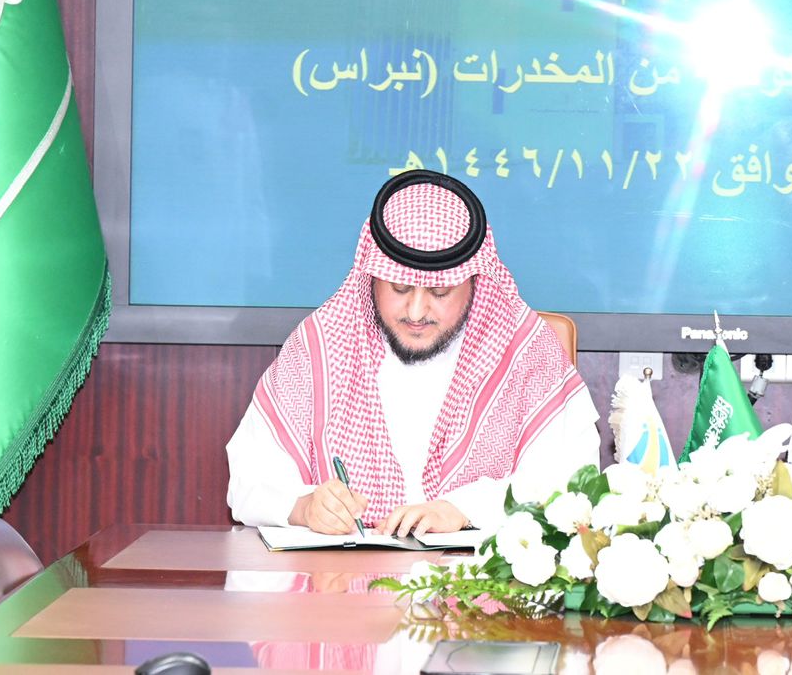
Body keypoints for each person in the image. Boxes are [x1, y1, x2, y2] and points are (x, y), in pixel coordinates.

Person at [227, 170, 598, 536]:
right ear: (372, 277)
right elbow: (248, 480)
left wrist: (464, 509)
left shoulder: (526, 353)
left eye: (440, 293)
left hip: (475, 574)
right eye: (399, 288)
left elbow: (573, 485)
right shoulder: (321, 347)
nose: (417, 312)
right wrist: (304, 507)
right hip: (344, 574)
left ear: (474, 283)